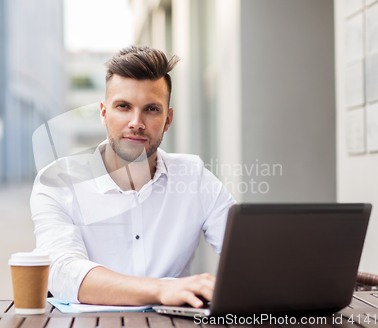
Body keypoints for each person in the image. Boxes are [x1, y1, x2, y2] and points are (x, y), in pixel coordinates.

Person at [30, 45, 236, 308]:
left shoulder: (193, 177)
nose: (136, 122)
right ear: (104, 113)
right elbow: (62, 273)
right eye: (124, 106)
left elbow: (249, 254)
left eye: (151, 109)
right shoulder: (59, 181)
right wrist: (162, 289)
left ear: (168, 119)